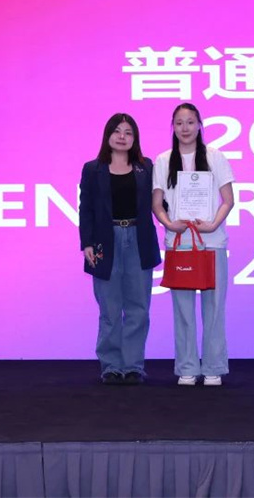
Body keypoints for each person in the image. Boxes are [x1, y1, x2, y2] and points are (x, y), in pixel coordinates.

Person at [152, 103, 235, 386]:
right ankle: (187, 367)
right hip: (179, 242)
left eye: (190, 122)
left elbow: (228, 200)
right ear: (173, 127)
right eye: (179, 123)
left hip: (212, 242)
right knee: (183, 310)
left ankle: (213, 367)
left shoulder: (215, 156)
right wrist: (168, 223)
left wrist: (212, 224)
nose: (185, 128)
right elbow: (156, 203)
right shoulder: (163, 160)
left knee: (214, 308)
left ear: (199, 125)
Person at [79, 113, 161, 385]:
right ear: (108, 135)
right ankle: (111, 366)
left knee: (139, 308)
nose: (122, 137)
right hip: (105, 241)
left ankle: (133, 366)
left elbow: (162, 201)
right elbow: (86, 209)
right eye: (117, 131)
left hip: (139, 238)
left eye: (128, 132)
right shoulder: (93, 169)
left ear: (135, 138)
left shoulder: (146, 167)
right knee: (110, 309)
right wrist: (87, 243)